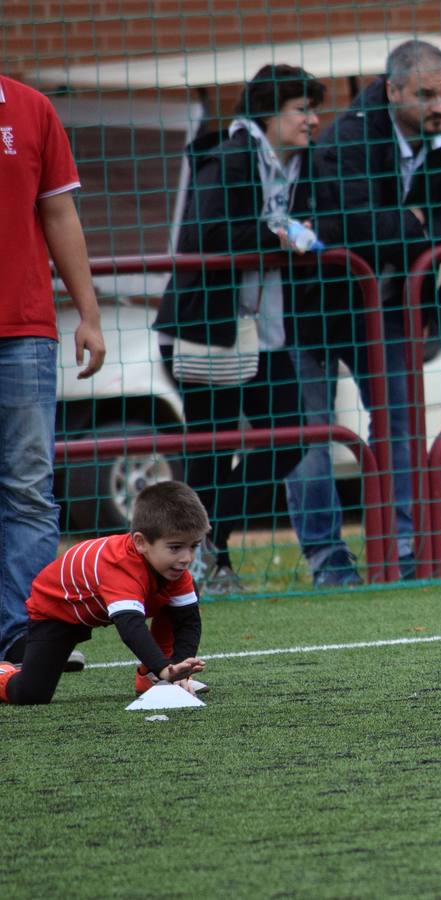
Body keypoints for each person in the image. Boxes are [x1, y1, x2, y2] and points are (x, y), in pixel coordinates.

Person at [288, 39, 441, 584]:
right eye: (426, 94)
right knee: (309, 433)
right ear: (392, 89)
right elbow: (352, 225)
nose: (440, 105)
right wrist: (419, 227)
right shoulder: (347, 137)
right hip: (316, 306)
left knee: (400, 423)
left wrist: (405, 228)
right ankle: (329, 563)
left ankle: (399, 553)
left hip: (392, 306)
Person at [153, 64, 325, 594]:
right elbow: (209, 231)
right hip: (211, 331)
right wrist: (281, 232)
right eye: (302, 110)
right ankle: (201, 564)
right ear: (270, 114)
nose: (313, 120)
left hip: (265, 333)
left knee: (292, 435)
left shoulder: (296, 165)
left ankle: (204, 541)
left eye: (313, 109)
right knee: (210, 449)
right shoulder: (228, 158)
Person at [0, 74, 107, 671]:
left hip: (24, 329)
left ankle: (24, 639)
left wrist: (88, 315)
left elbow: (59, 214)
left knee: (29, 490)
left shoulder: (32, 107)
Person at [0, 481, 209, 705]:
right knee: (30, 695)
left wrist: (178, 671)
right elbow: (130, 628)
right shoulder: (120, 565)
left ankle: (152, 677)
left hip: (103, 603)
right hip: (58, 611)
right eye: (176, 547)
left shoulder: (173, 568)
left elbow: (188, 622)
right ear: (140, 542)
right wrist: (165, 668)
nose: (186, 558)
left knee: (183, 597)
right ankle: (4, 672)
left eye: (193, 546)